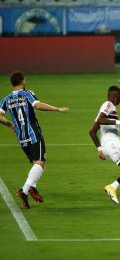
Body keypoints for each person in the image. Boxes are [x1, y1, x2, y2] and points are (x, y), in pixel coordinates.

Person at [0, 71, 69, 209]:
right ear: (22, 81)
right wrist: (58, 109)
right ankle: (24, 190)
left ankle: (33, 187)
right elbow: (37, 105)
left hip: (22, 138)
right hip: (34, 135)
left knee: (38, 163)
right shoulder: (27, 94)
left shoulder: (6, 99)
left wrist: (9, 124)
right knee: (40, 163)